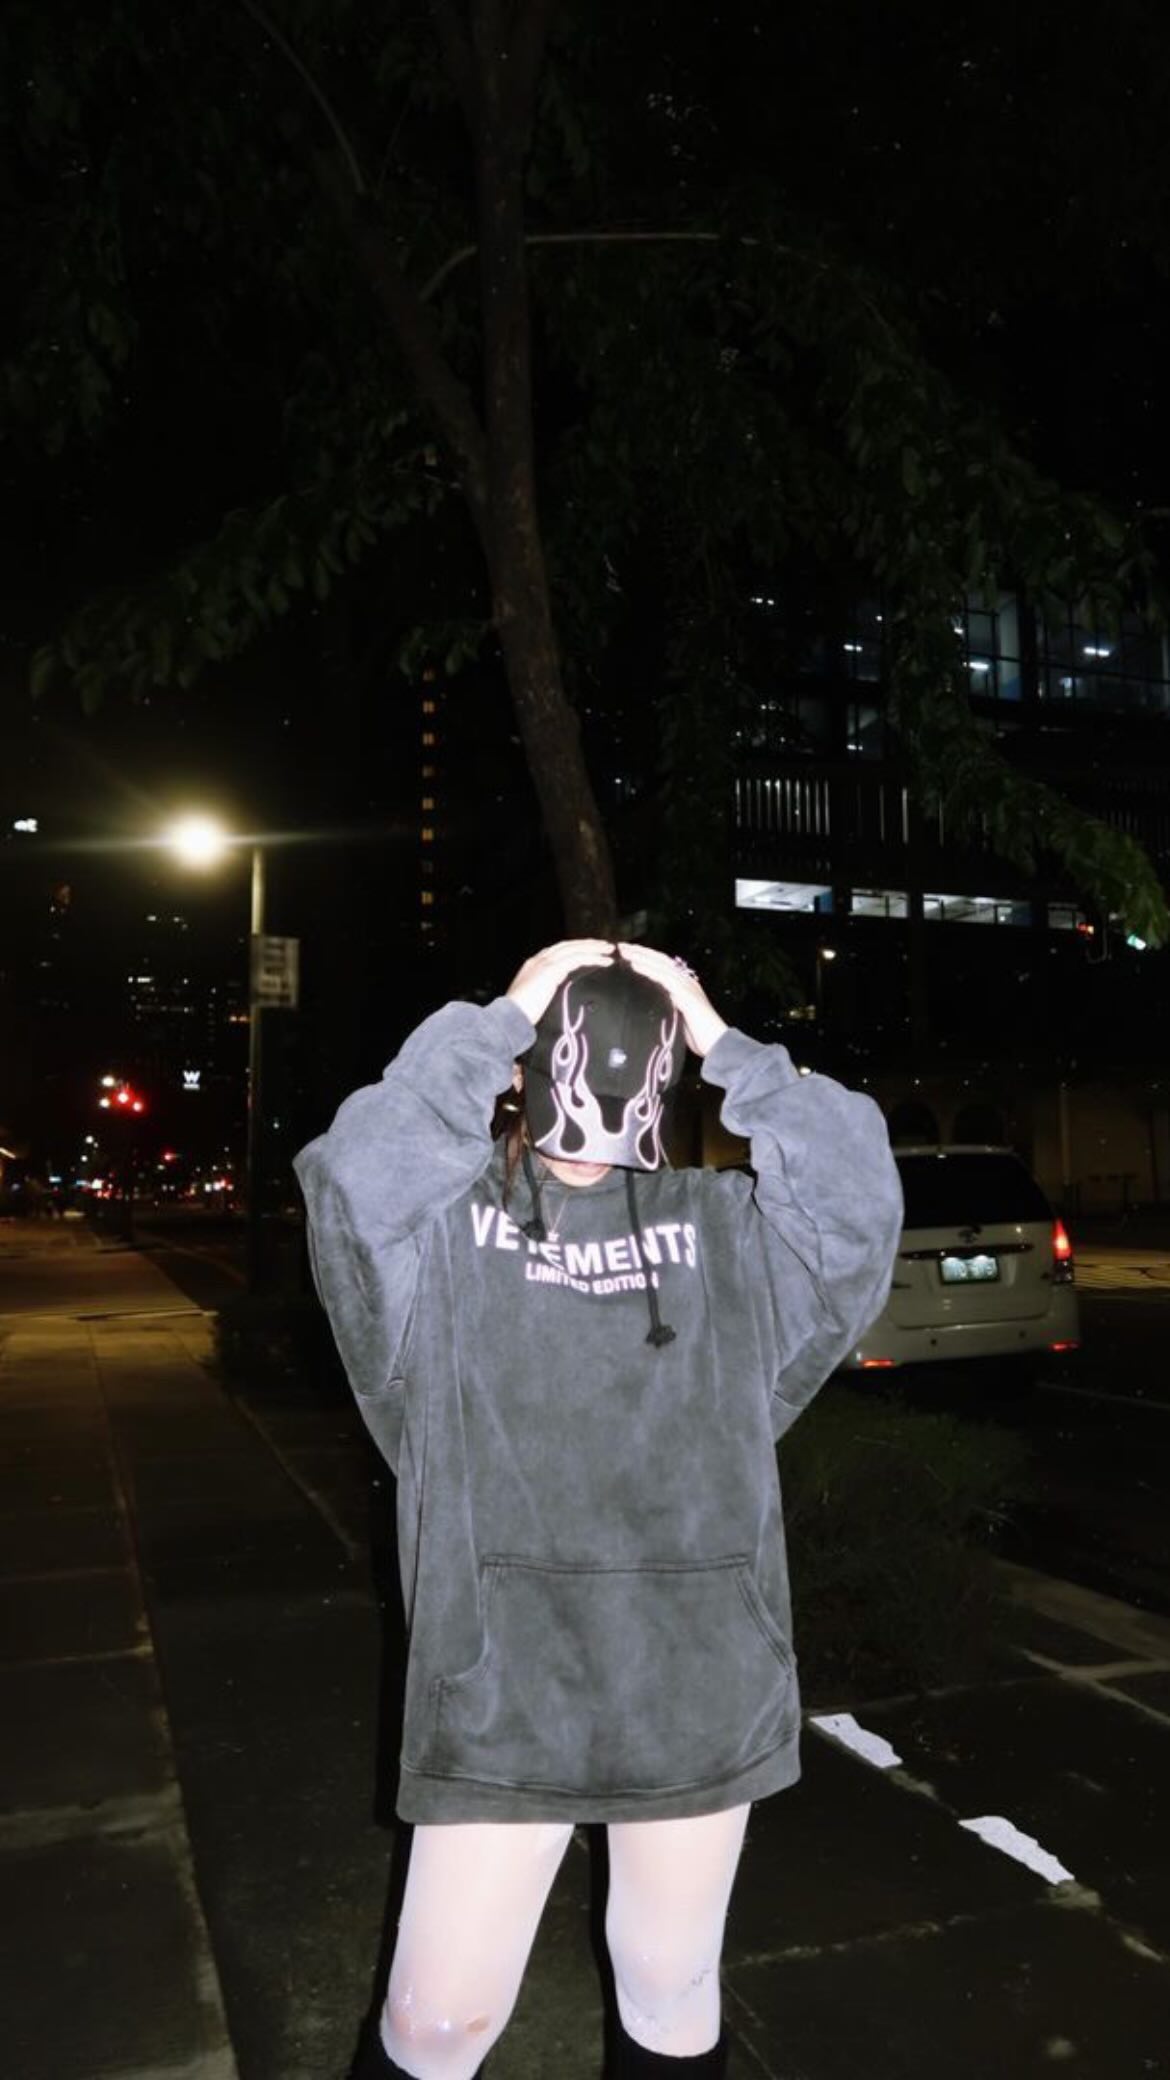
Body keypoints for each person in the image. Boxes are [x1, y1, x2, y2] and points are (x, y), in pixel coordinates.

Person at [295, 940, 903, 2080]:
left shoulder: (726, 1231)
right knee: (434, 2025)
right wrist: (497, 1017)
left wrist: (725, 1040)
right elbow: (351, 1183)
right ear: (525, 1070)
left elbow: (858, 1208)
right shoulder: (438, 1231)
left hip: (695, 1678)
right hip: (499, 1681)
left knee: (669, 1989)